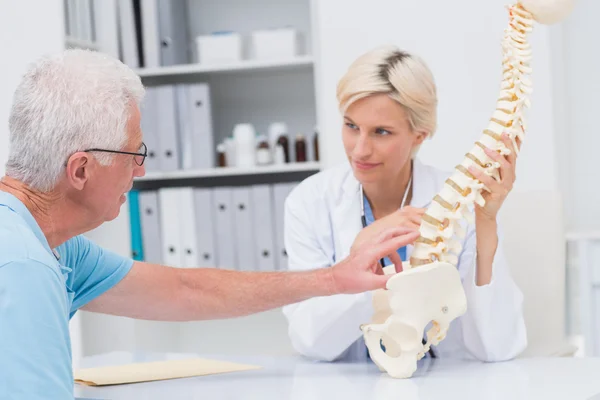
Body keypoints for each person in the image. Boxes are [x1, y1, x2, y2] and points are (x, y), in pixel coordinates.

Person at [0, 49, 421, 399]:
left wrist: (333, 279)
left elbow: (185, 291)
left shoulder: (53, 246)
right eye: (134, 154)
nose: (140, 171)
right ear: (80, 171)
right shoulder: (24, 267)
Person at [282, 46, 528, 362]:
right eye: (351, 126)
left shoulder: (460, 204)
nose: (359, 150)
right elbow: (310, 342)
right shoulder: (309, 202)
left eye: (381, 132)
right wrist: (360, 261)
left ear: (419, 136)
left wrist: (486, 225)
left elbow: (497, 345)